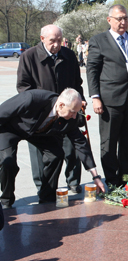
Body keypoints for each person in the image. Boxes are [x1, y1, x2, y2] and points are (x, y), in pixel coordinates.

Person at [0, 89, 106, 208]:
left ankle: (46, 198)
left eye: (76, 112)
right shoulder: (32, 98)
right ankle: (6, 200)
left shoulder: (71, 117)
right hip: (11, 128)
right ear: (61, 105)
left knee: (56, 155)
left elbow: (81, 144)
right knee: (8, 162)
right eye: (72, 112)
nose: (74, 116)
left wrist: (95, 176)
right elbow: (2, 112)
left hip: (39, 133)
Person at [16, 24, 86, 194]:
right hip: (41, 115)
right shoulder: (29, 57)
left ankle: (73, 182)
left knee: (72, 149)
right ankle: (43, 187)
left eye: (59, 40)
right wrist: (45, 105)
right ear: (42, 39)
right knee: (41, 154)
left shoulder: (68, 55)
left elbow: (77, 83)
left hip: (67, 111)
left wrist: (80, 100)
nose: (56, 45)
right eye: (52, 41)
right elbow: (23, 88)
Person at [86, 4, 128, 187]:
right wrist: (95, 96)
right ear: (109, 20)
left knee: (127, 141)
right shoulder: (99, 41)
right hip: (109, 100)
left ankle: (125, 178)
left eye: (125, 18)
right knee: (109, 141)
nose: (123, 22)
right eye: (119, 18)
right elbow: (92, 71)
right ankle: (112, 180)